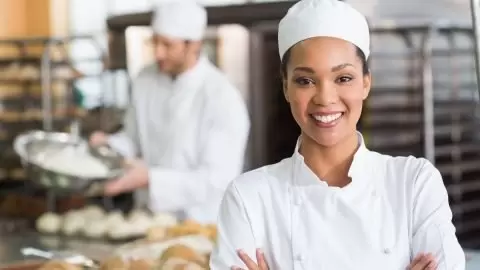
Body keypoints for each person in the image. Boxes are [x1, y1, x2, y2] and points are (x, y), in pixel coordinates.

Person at [209, 0, 465, 269]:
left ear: (366, 83)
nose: (325, 98)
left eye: (343, 78)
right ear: (286, 87)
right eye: (305, 81)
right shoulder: (248, 197)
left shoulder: (413, 183)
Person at [89, 0, 250, 223]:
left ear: (193, 45)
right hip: (147, 221)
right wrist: (109, 146)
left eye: (167, 45)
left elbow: (217, 180)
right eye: (154, 42)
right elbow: (133, 138)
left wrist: (150, 179)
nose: (158, 53)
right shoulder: (145, 79)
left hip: (201, 225)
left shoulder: (221, 97)